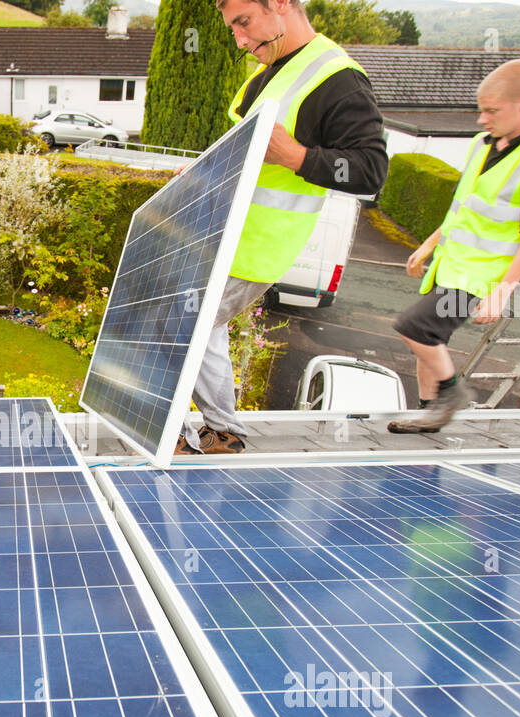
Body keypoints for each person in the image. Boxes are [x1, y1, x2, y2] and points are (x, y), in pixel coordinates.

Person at [176, 0, 388, 454]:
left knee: (178, 320)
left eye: (244, 23)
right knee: (202, 325)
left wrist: (296, 156)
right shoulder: (269, 71)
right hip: (223, 235)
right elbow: (245, 156)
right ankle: (224, 431)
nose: (239, 40)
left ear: (280, 5)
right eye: (233, 28)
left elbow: (371, 172)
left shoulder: (339, 81)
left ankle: (165, 432)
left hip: (256, 248)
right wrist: (200, 176)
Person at [388, 58, 520, 434]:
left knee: (414, 327)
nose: (481, 119)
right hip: (451, 263)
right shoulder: (482, 144)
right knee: (430, 343)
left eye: (491, 111)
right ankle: (430, 414)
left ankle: (452, 395)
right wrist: (430, 243)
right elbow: (465, 207)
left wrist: (501, 292)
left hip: (482, 276)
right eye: (481, 110)